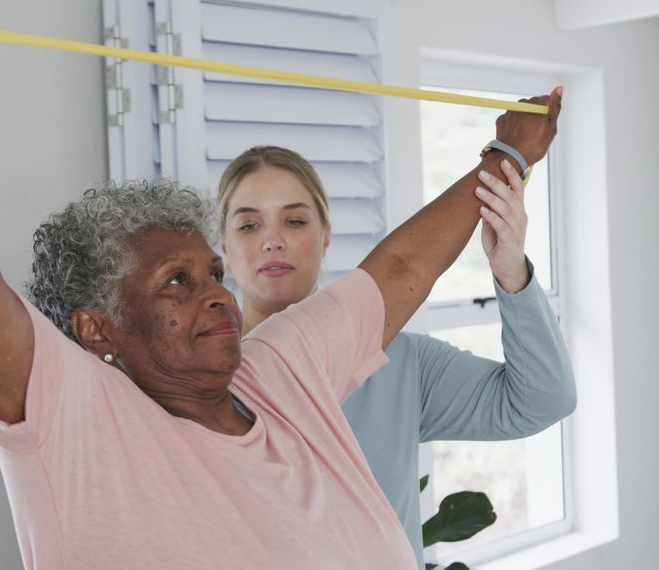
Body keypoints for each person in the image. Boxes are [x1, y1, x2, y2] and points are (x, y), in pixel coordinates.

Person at [0, 0, 562, 567]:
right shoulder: (79, 426)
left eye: (211, 270)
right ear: (97, 329)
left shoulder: (280, 368)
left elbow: (401, 269)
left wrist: (509, 158)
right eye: (176, 282)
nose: (215, 290)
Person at [218, 146, 576, 564]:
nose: (272, 241)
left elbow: (541, 400)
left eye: (295, 221)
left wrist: (511, 269)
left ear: (326, 235)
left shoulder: (401, 361)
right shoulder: (194, 380)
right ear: (222, 244)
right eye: (248, 225)